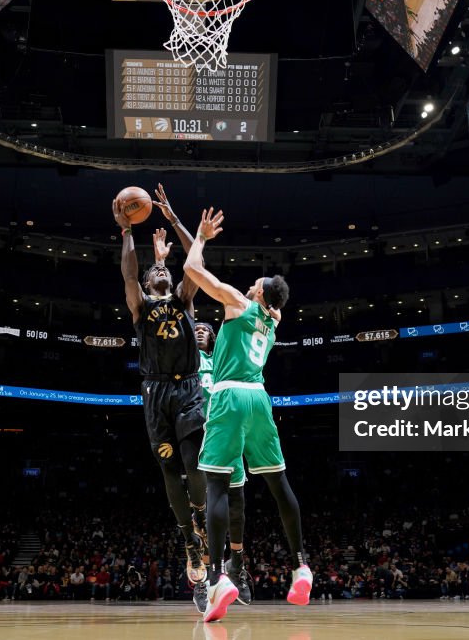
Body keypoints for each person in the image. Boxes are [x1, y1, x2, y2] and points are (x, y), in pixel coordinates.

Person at [183, 207, 311, 622]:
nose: (252, 282)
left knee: (217, 488)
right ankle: (300, 565)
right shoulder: (273, 320)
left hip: (230, 396)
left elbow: (192, 268)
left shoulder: (239, 303)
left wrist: (200, 237)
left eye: (257, 282)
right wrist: (272, 292)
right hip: (260, 398)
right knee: (278, 484)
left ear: (256, 293)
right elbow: (277, 299)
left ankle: (219, 577)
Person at [112, 184, 209, 612]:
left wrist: (172, 218)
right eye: (157, 274)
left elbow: (195, 263)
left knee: (195, 462)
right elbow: (130, 275)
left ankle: (202, 521)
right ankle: (189, 542)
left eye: (165, 272)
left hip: (188, 388)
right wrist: (127, 230)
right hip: (155, 393)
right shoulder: (140, 307)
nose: (162, 274)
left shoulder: (185, 300)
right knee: (171, 471)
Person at [196, 321, 253, 606]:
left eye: (204, 328)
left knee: (237, 503)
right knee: (202, 511)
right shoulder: (184, 362)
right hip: (197, 437)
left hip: (227, 431)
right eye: (194, 328)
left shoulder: (222, 360)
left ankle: (237, 565)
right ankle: (206, 577)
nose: (198, 330)